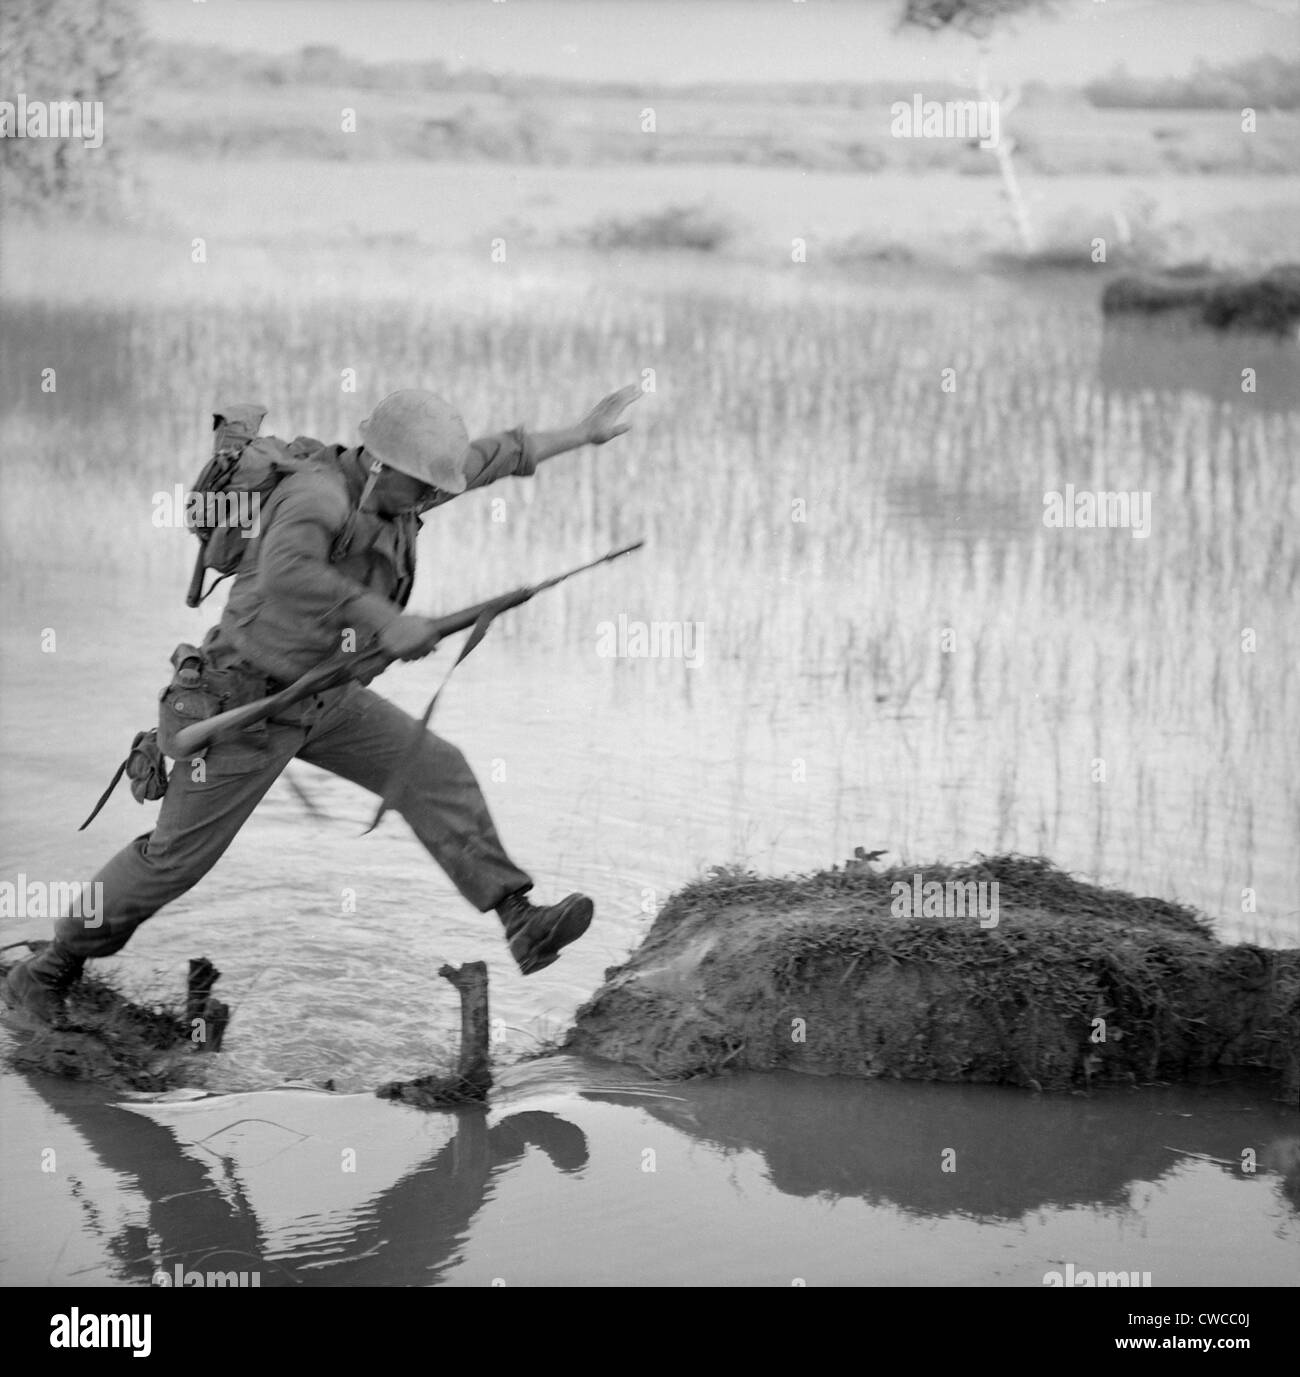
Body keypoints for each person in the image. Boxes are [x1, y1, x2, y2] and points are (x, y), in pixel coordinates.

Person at [3, 385, 640, 1025]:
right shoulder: (317, 495)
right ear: (382, 466)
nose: (429, 500)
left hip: (323, 695)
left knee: (432, 767)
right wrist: (385, 619)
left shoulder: (406, 485)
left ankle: (519, 920)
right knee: (172, 861)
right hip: (240, 704)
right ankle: (51, 966)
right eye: (420, 488)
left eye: (433, 489)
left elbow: (496, 455)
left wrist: (582, 433)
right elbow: (288, 571)